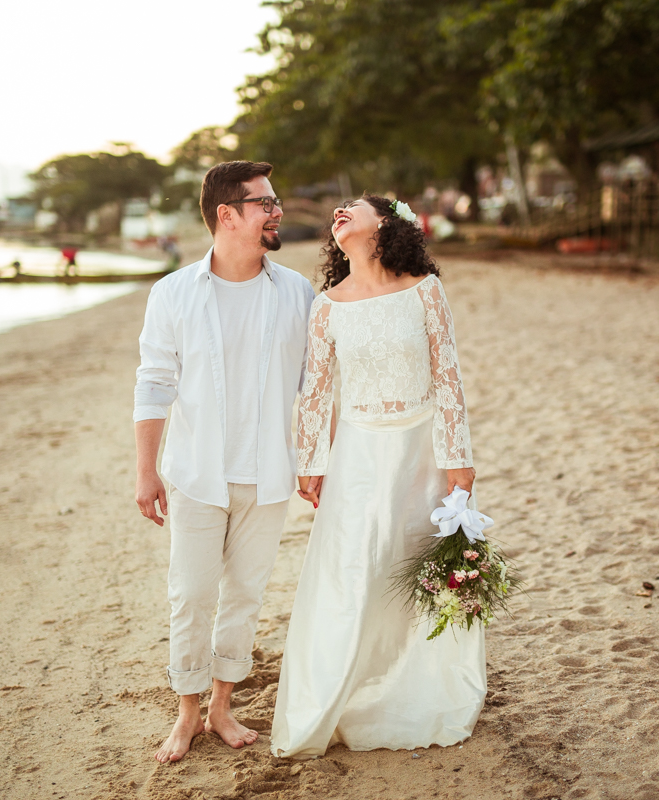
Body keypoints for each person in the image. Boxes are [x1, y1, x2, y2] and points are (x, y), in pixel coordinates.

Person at [269, 194, 484, 758]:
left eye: (353, 206)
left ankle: (418, 687)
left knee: (415, 562)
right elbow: (315, 393)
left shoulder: (425, 290)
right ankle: (343, 689)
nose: (339, 212)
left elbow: (448, 377)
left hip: (422, 450)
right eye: (336, 210)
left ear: (385, 224)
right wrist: (311, 463)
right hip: (358, 453)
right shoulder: (327, 306)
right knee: (355, 567)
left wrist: (458, 457)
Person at [133, 161, 314, 763]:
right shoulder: (173, 293)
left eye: (275, 201)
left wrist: (316, 461)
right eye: (265, 203)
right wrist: (146, 470)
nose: (277, 211)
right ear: (227, 215)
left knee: (245, 596)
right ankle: (186, 713)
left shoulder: (297, 292)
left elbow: (315, 387)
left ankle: (221, 705)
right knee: (190, 594)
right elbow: (154, 383)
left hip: (270, 474)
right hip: (195, 473)